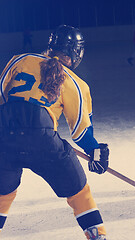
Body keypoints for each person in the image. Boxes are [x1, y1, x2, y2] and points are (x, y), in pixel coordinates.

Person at [0, 25, 109, 240]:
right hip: (44, 144)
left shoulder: (18, 60)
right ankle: (98, 235)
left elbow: (2, 100)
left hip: (5, 137)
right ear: (76, 53)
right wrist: (96, 152)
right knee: (79, 192)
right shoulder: (76, 84)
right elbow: (80, 133)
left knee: (2, 193)